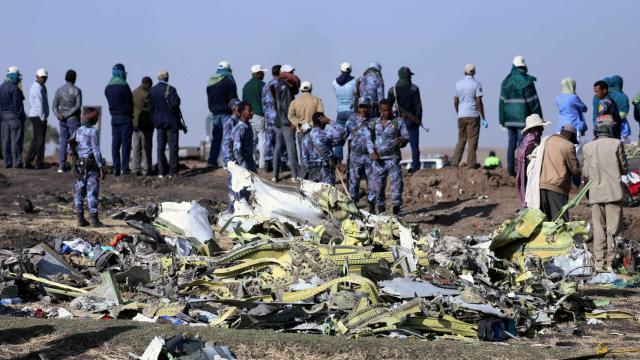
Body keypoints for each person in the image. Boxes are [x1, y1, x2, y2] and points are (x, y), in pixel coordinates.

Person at [582, 122, 627, 273]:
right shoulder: (617, 144)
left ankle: (599, 264)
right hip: (613, 193)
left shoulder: (588, 147)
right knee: (613, 230)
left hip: (596, 194)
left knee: (599, 229)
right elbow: (624, 169)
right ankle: (611, 263)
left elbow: (586, 174)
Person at [499, 55, 542, 177]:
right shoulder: (527, 82)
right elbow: (534, 103)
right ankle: (522, 172)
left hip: (509, 120)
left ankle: (510, 171)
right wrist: (538, 119)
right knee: (522, 145)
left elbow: (501, 103)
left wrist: (501, 120)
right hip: (523, 119)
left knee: (511, 145)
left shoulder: (506, 82)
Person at [371, 99, 409, 215]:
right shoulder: (374, 123)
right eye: (384, 110)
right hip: (379, 162)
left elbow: (406, 136)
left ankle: (396, 209)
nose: (387, 112)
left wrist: (402, 140)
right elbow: (368, 140)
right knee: (378, 188)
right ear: (380, 110)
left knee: (396, 186)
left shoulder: (398, 122)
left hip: (393, 159)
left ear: (391, 108)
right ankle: (381, 209)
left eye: (388, 110)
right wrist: (372, 152)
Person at [69, 107, 105, 227]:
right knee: (92, 192)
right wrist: (100, 167)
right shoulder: (93, 132)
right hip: (91, 166)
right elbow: (96, 150)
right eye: (96, 118)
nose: (97, 120)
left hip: (79, 167)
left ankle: (80, 219)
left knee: (79, 192)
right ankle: (94, 220)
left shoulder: (78, 130)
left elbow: (70, 149)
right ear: (93, 119)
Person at [538, 124, 581, 221]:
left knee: (544, 221)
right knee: (560, 221)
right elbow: (575, 170)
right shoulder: (568, 145)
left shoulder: (546, 140)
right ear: (570, 136)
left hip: (540, 186)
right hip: (557, 188)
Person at [149, 70, 184, 178]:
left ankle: (161, 171)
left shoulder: (152, 91)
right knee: (173, 147)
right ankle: (173, 171)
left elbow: (150, 109)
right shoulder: (172, 89)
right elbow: (175, 103)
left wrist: (155, 121)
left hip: (159, 124)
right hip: (171, 123)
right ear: (167, 78)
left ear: (158, 78)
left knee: (160, 148)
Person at [388, 66, 423, 173]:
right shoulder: (414, 89)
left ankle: (394, 167)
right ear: (408, 76)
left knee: (395, 145)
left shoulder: (392, 90)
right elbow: (418, 107)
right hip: (412, 121)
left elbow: (388, 107)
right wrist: (418, 120)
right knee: (414, 147)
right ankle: (416, 168)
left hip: (397, 121)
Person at [452, 64, 486, 168]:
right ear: (474, 72)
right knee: (472, 141)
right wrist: (483, 117)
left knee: (461, 140)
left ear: (464, 72)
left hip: (461, 115)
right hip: (473, 115)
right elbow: (479, 101)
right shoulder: (476, 84)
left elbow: (455, 100)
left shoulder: (458, 84)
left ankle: (455, 163)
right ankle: (471, 165)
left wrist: (458, 112)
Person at [288, 81, 324, 178]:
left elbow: (290, 116)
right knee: (314, 154)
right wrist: (310, 125)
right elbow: (320, 115)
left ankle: (303, 176)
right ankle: (315, 176)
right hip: (313, 131)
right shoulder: (317, 100)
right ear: (311, 89)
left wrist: (301, 125)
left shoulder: (295, 102)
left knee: (303, 154)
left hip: (301, 131)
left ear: (301, 89)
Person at [346, 98, 376, 212]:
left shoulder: (374, 121)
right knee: (354, 182)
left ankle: (372, 206)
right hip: (355, 156)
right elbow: (343, 134)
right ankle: (353, 206)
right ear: (358, 107)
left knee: (372, 182)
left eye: (366, 107)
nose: (363, 109)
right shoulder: (352, 120)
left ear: (369, 108)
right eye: (361, 107)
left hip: (370, 156)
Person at [206, 61, 237, 168]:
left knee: (216, 138)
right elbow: (233, 97)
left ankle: (212, 161)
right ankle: (226, 162)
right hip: (226, 113)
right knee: (227, 138)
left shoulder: (211, 81)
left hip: (215, 113)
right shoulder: (228, 79)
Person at [104, 63, 134, 176]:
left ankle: (116, 168)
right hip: (125, 118)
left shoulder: (108, 87)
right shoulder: (125, 86)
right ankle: (124, 168)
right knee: (125, 145)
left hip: (114, 118)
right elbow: (130, 102)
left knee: (115, 144)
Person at [302, 112, 346, 185]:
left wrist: (310, 169)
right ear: (322, 122)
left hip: (313, 173)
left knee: (315, 194)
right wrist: (329, 121)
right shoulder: (324, 134)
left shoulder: (306, 137)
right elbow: (343, 131)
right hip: (326, 173)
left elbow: (305, 158)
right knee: (328, 195)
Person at [52, 69, 82, 173]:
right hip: (73, 119)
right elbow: (78, 106)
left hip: (62, 120)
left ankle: (61, 165)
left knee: (63, 141)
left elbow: (54, 106)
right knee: (76, 142)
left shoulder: (59, 90)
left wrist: (59, 115)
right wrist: (67, 114)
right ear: (75, 78)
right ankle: (77, 165)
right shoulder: (77, 90)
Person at [272, 72, 300, 182]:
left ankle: (275, 175)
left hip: (278, 121)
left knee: (277, 148)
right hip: (286, 122)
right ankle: (294, 175)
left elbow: (277, 105)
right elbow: (286, 106)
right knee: (291, 148)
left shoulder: (277, 86)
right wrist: (292, 120)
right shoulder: (286, 88)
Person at [516, 114, 549, 206]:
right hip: (532, 181)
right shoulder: (533, 146)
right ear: (536, 129)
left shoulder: (524, 144)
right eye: (541, 127)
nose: (542, 130)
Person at [231, 101, 257, 208]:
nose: (252, 113)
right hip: (242, 168)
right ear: (242, 113)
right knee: (242, 198)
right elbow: (237, 151)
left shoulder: (248, 127)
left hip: (249, 165)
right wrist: (244, 168)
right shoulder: (240, 129)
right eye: (249, 110)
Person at [0, 66, 26, 169]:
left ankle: (7, 162)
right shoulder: (14, 88)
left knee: (5, 140)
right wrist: (20, 117)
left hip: (4, 116)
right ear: (14, 76)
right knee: (15, 140)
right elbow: (17, 105)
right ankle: (17, 162)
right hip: (14, 116)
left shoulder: (1, 87)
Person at [242, 65, 267, 169]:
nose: (263, 74)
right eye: (262, 72)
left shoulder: (246, 86)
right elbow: (267, 101)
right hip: (259, 114)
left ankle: (252, 161)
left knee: (251, 140)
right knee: (262, 139)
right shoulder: (263, 85)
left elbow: (243, 101)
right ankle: (262, 163)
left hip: (248, 116)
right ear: (257, 73)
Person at [332, 62, 357, 162]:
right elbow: (357, 94)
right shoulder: (355, 81)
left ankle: (338, 161)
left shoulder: (334, 83)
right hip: (352, 112)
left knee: (339, 137)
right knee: (355, 137)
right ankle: (353, 160)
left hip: (340, 112)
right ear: (350, 70)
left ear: (341, 70)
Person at [25, 68, 49, 169]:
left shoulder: (40, 86)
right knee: (40, 140)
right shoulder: (37, 88)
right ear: (37, 77)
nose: (43, 79)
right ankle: (39, 163)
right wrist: (43, 117)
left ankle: (28, 161)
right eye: (42, 77)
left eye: (45, 77)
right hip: (39, 116)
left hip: (37, 115)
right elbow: (39, 104)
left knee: (36, 139)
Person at [556, 77, 587, 151]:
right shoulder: (574, 97)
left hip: (561, 127)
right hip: (574, 126)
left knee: (561, 150)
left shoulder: (558, 98)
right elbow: (584, 108)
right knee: (574, 149)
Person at [130, 76, 153, 176]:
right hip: (146, 124)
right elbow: (152, 108)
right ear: (148, 83)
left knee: (136, 146)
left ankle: (135, 168)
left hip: (135, 124)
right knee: (146, 147)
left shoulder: (134, 92)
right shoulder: (149, 94)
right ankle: (146, 168)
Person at [262, 65, 281, 172]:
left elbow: (263, 102)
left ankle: (267, 161)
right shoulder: (282, 85)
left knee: (268, 139)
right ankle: (282, 162)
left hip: (269, 116)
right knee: (281, 140)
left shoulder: (266, 86)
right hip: (279, 117)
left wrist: (266, 113)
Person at [607, 75, 630, 141]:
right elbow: (624, 112)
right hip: (621, 127)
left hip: (606, 126)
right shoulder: (623, 96)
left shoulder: (605, 96)